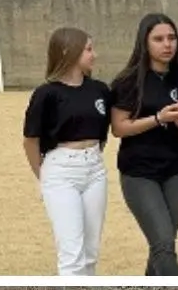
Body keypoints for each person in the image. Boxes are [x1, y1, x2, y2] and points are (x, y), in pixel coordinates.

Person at [21, 28, 112, 276]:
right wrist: (44, 177)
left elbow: (102, 133)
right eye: (88, 49)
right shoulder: (46, 94)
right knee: (72, 253)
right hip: (61, 170)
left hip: (94, 170)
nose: (94, 55)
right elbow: (30, 140)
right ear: (68, 52)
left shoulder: (100, 90)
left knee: (91, 252)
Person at [108, 14, 178, 276]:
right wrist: (158, 119)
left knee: (162, 245)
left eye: (171, 38)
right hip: (139, 172)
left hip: (177, 170)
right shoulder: (128, 81)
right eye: (158, 39)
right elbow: (118, 127)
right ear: (144, 43)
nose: (167, 44)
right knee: (163, 244)